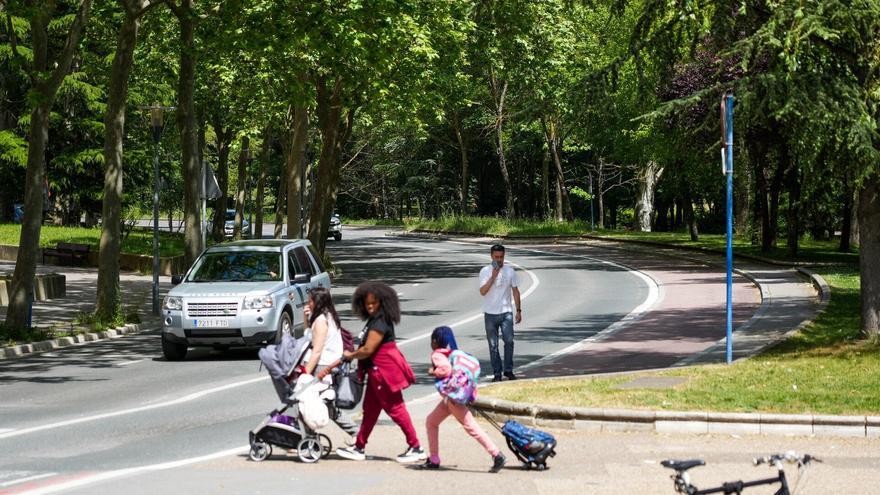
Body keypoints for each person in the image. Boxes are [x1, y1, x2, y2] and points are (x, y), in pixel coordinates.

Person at [336, 281, 426, 463]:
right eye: (366, 303)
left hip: (382, 372)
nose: (369, 306)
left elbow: (368, 349)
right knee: (369, 411)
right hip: (377, 371)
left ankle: (416, 446)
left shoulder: (380, 321)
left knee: (396, 409)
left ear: (382, 302)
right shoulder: (376, 319)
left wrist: (351, 355)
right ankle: (359, 446)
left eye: (373, 303)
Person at [419, 326, 506, 472]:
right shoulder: (453, 353)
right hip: (451, 398)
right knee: (431, 421)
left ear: (434, 341)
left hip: (453, 399)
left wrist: (433, 371)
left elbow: (445, 369)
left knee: (471, 427)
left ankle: (497, 454)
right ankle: (434, 459)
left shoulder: (437, 355)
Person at [300, 287, 360, 442]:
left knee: (309, 402)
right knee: (325, 406)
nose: (308, 303)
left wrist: (306, 373)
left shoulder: (321, 321)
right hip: (329, 365)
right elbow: (309, 337)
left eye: (310, 300)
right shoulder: (328, 316)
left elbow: (317, 350)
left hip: (322, 366)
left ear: (317, 302)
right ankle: (355, 433)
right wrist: (306, 319)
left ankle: (310, 440)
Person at [479, 244, 522, 382]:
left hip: (506, 313)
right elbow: (483, 291)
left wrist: (519, 310)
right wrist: (493, 277)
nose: (499, 260)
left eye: (501, 257)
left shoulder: (510, 271)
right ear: (491, 256)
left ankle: (508, 370)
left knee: (509, 341)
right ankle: (497, 373)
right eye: (496, 257)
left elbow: (515, 291)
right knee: (493, 345)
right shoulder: (485, 271)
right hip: (490, 314)